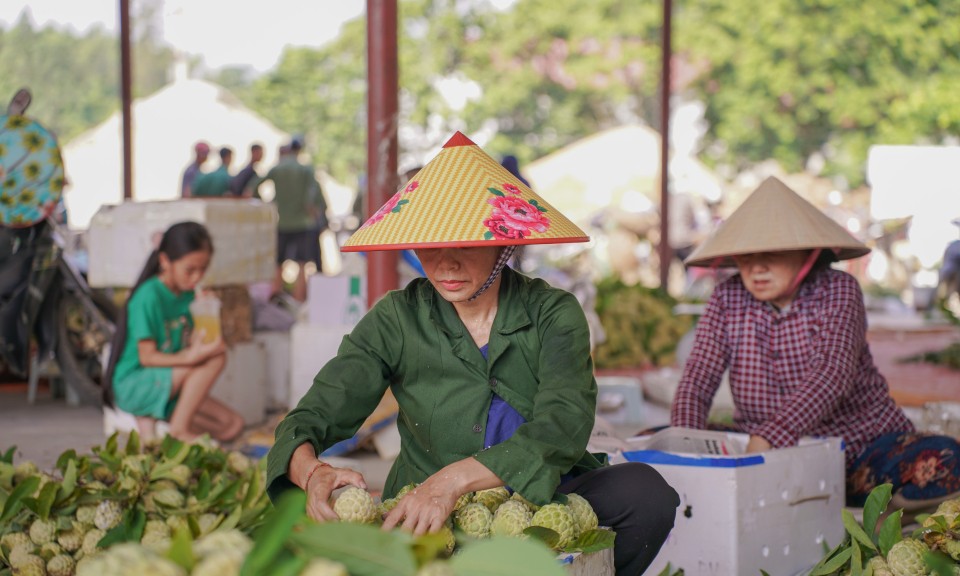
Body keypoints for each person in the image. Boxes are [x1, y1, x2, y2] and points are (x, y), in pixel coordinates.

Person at [266, 132, 679, 576]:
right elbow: (314, 413)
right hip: (429, 513)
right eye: (430, 244)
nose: (445, 263)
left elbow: (564, 422)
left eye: (465, 243)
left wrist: (455, 479)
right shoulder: (396, 318)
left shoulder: (553, 313)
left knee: (646, 494)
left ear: (505, 243)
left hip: (541, 495)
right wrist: (310, 471)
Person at [671, 176, 960, 509]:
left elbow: (831, 373)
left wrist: (771, 436)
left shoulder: (838, 290)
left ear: (806, 252)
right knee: (662, 436)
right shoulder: (726, 297)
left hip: (854, 448)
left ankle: (881, 501)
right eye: (745, 256)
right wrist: (684, 446)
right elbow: (698, 378)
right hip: (758, 451)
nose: (757, 268)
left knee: (944, 458)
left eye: (772, 253)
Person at [105, 221, 244, 444]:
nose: (197, 277)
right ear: (165, 262)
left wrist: (206, 313)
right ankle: (178, 429)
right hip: (138, 382)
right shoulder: (148, 296)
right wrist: (190, 357)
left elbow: (200, 343)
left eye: (203, 269)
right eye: (190, 270)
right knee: (217, 356)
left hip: (170, 383)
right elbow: (147, 357)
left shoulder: (189, 296)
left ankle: (164, 426)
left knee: (232, 426)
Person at [255, 140, 326, 301]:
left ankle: (275, 299)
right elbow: (312, 195)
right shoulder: (305, 170)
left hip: (282, 222)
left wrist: (267, 204)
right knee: (302, 264)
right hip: (302, 222)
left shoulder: (276, 169)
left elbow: (254, 187)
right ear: (300, 150)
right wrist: (313, 210)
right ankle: (298, 300)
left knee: (278, 263)